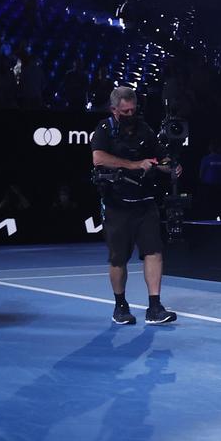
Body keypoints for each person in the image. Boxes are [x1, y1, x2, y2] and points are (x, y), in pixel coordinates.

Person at [90, 86, 178, 326]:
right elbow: (98, 158)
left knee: (154, 251)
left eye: (133, 109)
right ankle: (120, 306)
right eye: (125, 111)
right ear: (114, 109)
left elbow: (160, 157)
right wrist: (134, 164)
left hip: (145, 202)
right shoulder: (105, 129)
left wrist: (168, 166)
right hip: (117, 203)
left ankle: (155, 307)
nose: (130, 114)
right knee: (118, 259)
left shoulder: (144, 129)